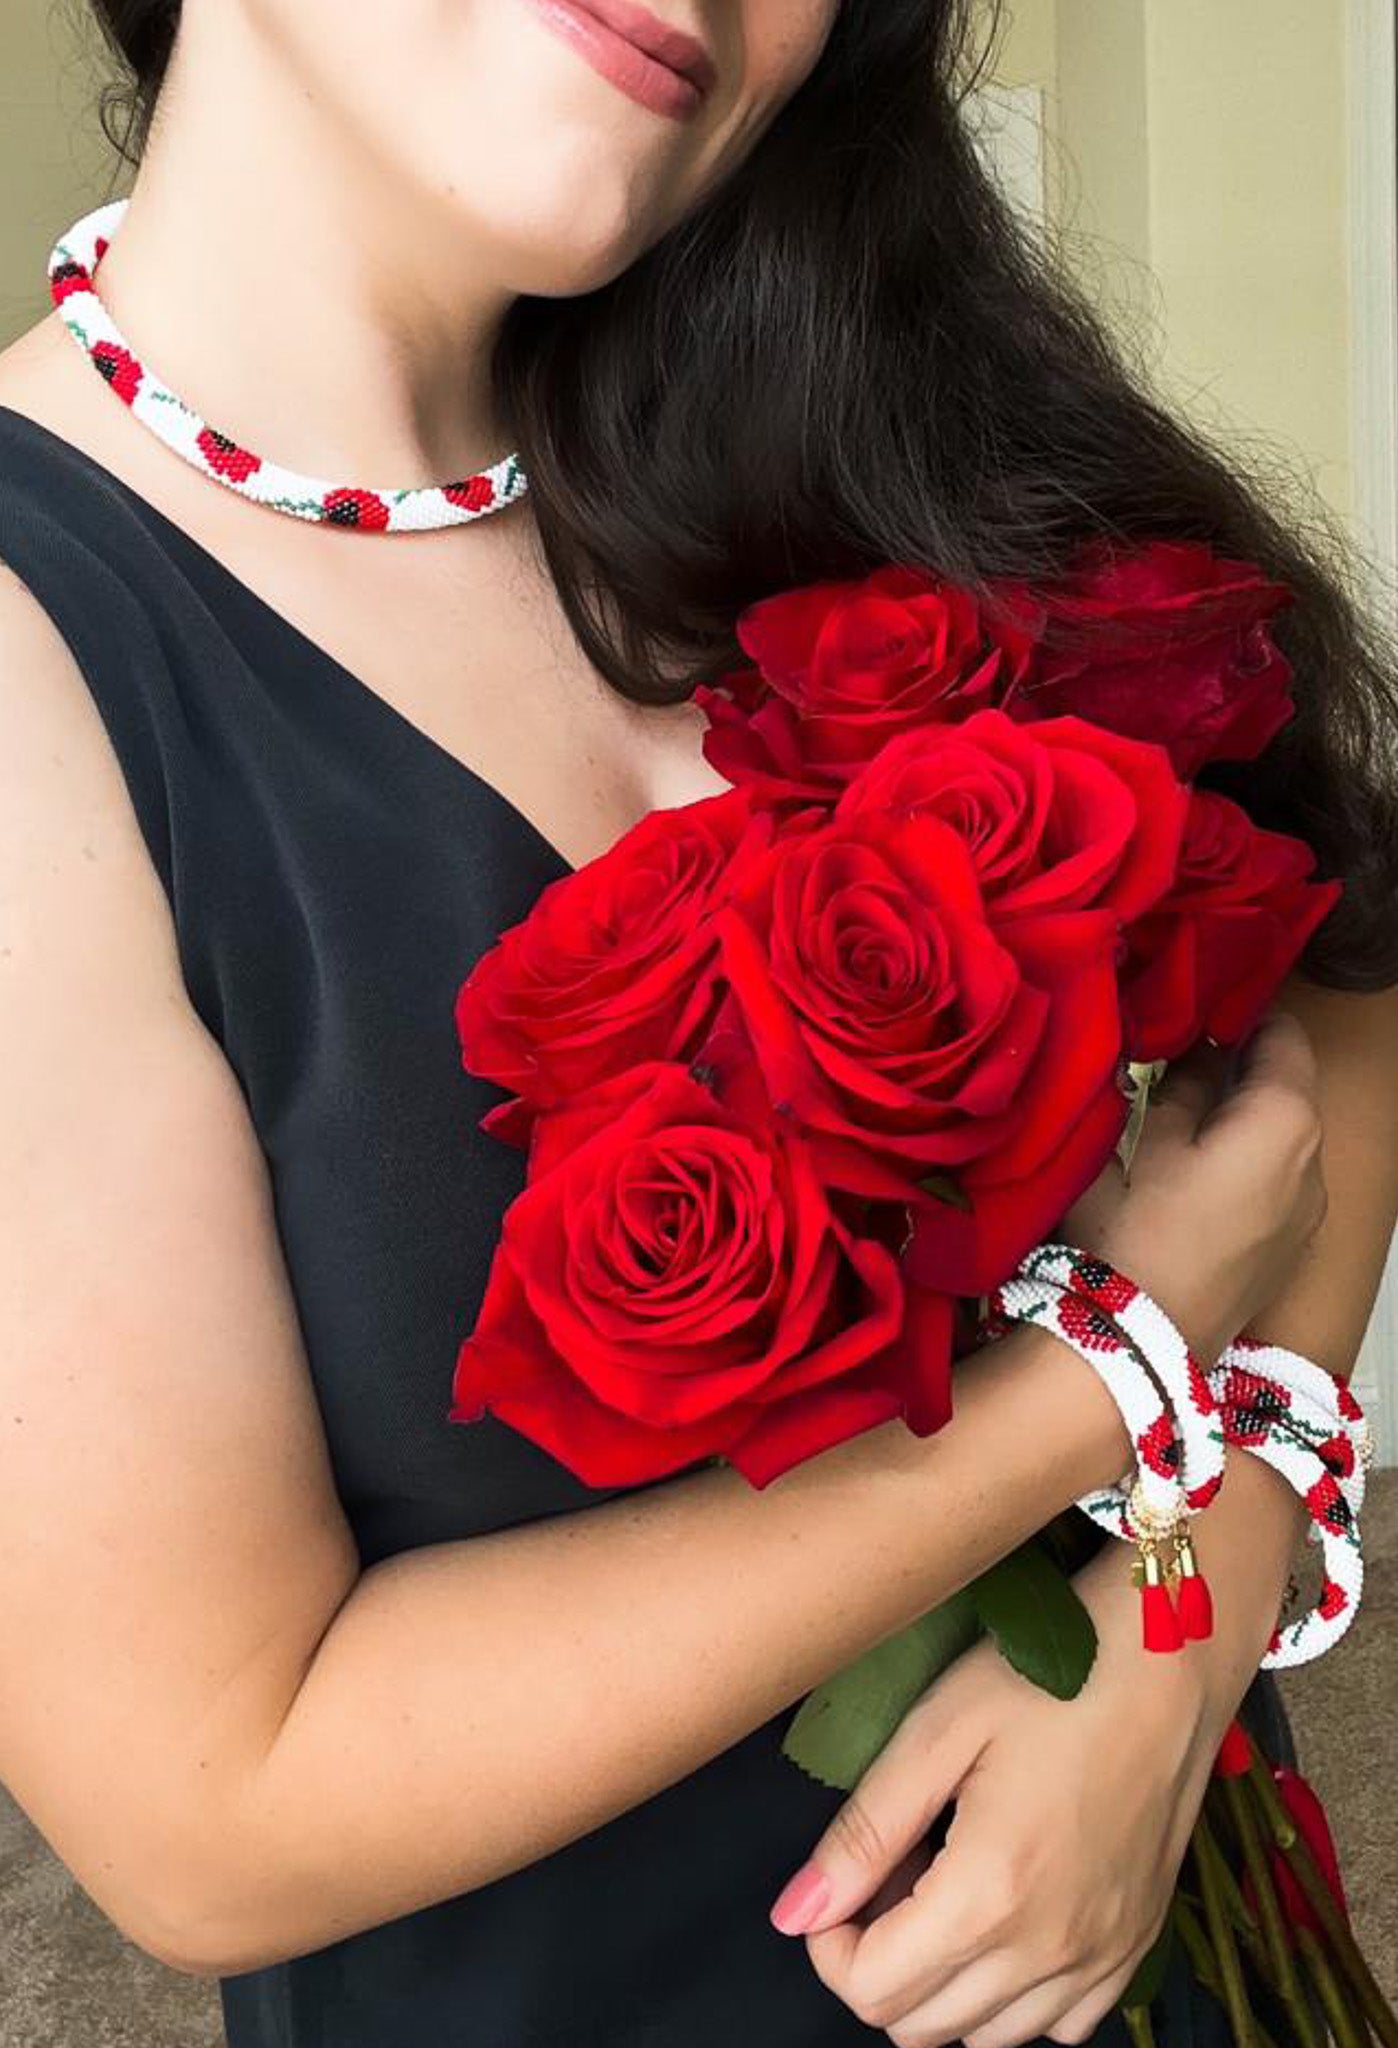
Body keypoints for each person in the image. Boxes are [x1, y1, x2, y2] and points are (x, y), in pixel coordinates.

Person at [0, 4, 1395, 2046]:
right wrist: (1111, 1360)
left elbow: (1330, 944)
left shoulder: (832, 399)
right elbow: (212, 1807)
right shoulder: (41, 672)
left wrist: (1195, 1607)